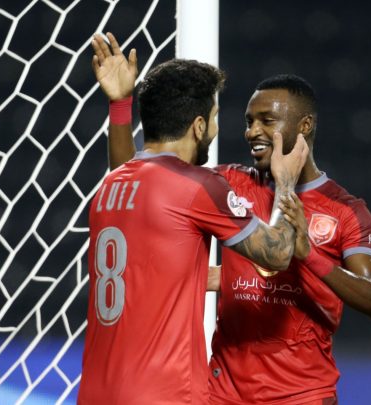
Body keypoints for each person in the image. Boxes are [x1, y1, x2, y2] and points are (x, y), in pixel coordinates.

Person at [96, 35, 371, 404]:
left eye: (266, 121)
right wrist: (120, 105)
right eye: (249, 121)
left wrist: (309, 255)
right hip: (223, 394)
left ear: (304, 126)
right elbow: (142, 181)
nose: (251, 131)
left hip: (301, 395)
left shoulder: (344, 209)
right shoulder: (227, 183)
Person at [78, 33, 308, 404]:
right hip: (166, 394)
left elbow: (132, 175)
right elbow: (278, 253)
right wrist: (285, 183)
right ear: (199, 126)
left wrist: (120, 104)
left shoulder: (111, 186)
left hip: (96, 392)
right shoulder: (198, 186)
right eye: (214, 119)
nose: (216, 129)